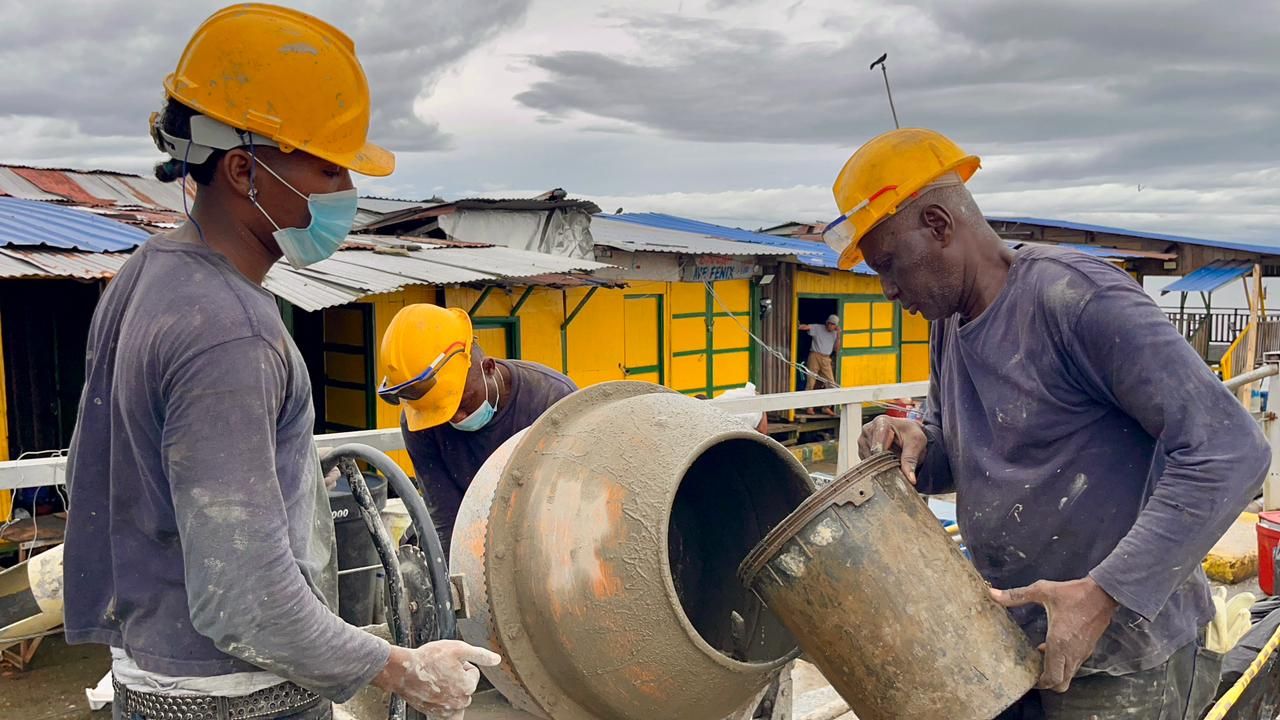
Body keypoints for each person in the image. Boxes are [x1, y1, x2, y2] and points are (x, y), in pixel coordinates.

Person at [62, 6, 498, 719]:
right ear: (243, 170)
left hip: (153, 675)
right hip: (239, 698)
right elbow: (247, 599)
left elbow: (103, 477)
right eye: (328, 169)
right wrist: (403, 668)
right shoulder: (232, 333)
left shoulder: (148, 274)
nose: (345, 196)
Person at [829, 128, 1269, 718]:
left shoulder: (1076, 300)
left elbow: (1231, 449)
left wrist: (1103, 594)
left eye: (889, 264)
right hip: (1017, 646)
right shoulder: (948, 321)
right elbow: (968, 455)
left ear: (939, 225)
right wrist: (919, 444)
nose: (887, 289)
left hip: (1125, 661)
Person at [378, 304, 577, 555]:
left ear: (488, 368)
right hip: (469, 532)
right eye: (444, 413)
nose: (457, 417)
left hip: (543, 536)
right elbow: (446, 518)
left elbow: (572, 508)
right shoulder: (421, 420)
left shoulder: (553, 401)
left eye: (462, 403)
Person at [798, 315, 840, 415]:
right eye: (830, 323)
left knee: (832, 384)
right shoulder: (818, 327)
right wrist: (798, 325)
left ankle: (826, 407)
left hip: (826, 358)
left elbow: (837, 349)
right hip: (815, 356)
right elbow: (806, 327)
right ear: (827, 323)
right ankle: (809, 407)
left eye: (833, 325)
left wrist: (839, 335)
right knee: (811, 382)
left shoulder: (835, 333)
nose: (831, 326)